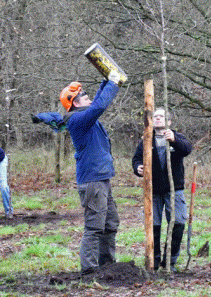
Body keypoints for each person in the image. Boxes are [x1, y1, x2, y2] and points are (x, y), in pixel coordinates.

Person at [59, 70, 122, 276]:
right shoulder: (78, 120)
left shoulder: (85, 117)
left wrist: (106, 81)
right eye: (84, 97)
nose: (89, 98)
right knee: (95, 226)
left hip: (101, 178)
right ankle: (89, 270)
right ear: (76, 103)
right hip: (92, 181)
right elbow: (100, 105)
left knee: (111, 223)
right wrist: (113, 83)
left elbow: (96, 103)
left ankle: (107, 264)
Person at [131, 108, 192, 270]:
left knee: (178, 222)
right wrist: (138, 168)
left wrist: (174, 140)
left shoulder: (176, 136)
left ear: (169, 122)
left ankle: (170, 260)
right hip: (153, 191)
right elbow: (136, 159)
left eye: (161, 116)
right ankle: (155, 259)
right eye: (155, 116)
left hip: (174, 190)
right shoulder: (146, 140)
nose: (157, 119)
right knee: (154, 225)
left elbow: (187, 149)